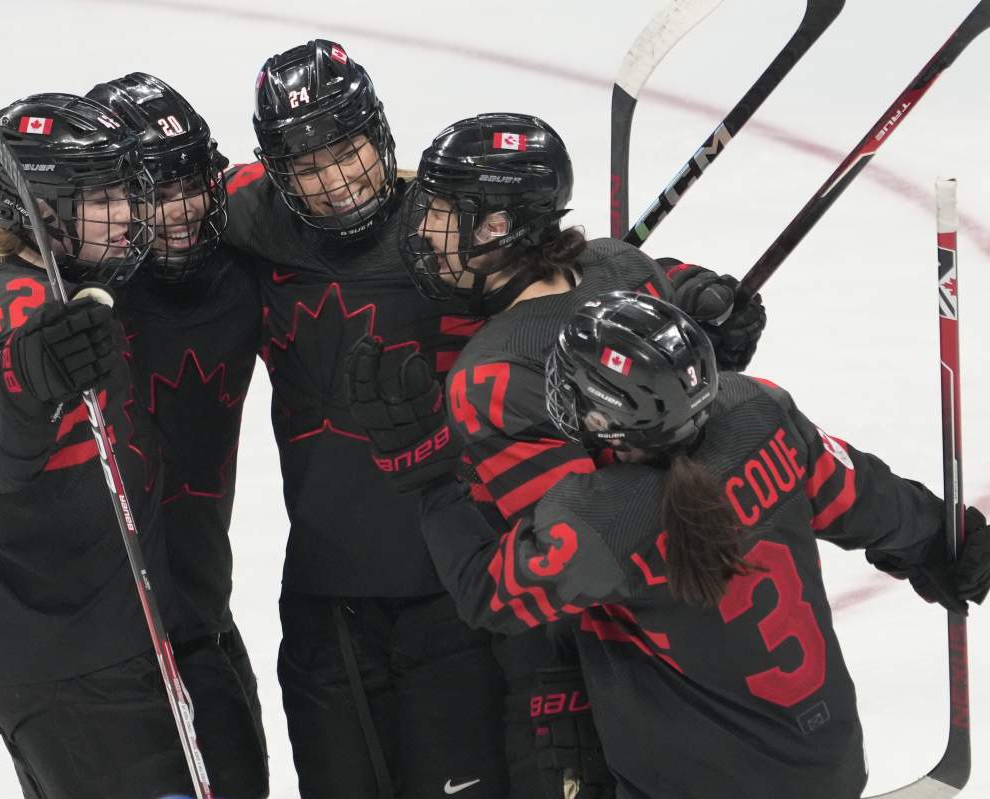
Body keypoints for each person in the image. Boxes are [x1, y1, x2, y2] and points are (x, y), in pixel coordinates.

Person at [420, 291, 990, 798]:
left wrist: (424, 478)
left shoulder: (599, 521)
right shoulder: (759, 409)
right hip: (827, 765)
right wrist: (939, 536)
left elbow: (485, 594)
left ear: (604, 416)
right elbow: (864, 497)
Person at [346, 112, 767, 797]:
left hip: (585, 669)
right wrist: (706, 305)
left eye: (444, 215)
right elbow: (660, 287)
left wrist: (427, 477)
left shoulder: (490, 376)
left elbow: (569, 565)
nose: (422, 232)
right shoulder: (619, 264)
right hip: (710, 649)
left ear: (497, 227)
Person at [0, 87, 268, 798]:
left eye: (139, 188)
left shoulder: (123, 258)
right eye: (114, 194)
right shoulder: (18, 292)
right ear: (46, 210)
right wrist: (10, 381)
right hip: (71, 645)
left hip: (163, 625)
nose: (147, 211)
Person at [224, 40, 560, 798]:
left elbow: (573, 270)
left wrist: (674, 284)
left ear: (380, 133)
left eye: (346, 151)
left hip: (455, 603)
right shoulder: (253, 225)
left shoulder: (451, 231)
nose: (335, 181)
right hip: (324, 612)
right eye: (307, 166)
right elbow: (122, 205)